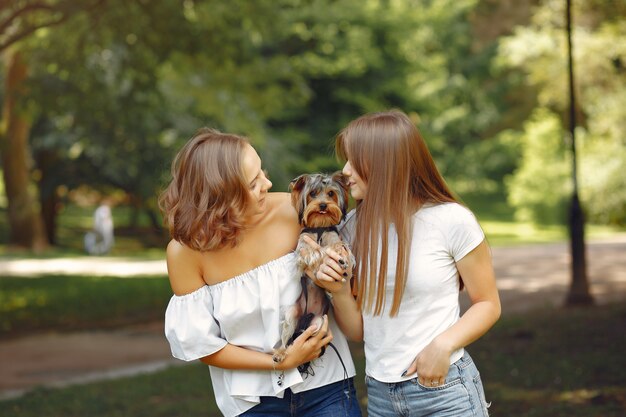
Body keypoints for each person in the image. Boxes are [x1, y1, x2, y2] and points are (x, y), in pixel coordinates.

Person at [158, 128, 361, 417]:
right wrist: (281, 361)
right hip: (253, 404)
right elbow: (202, 345)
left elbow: (346, 283)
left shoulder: (295, 213)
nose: (267, 183)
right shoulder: (184, 253)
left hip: (327, 390)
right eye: (253, 183)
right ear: (220, 197)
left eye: (262, 172)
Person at [311, 110, 501, 417]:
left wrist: (443, 345)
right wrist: (340, 291)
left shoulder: (451, 220)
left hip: (444, 390)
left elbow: (488, 304)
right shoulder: (351, 228)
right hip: (381, 397)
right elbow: (361, 331)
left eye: (354, 160)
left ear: (385, 163)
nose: (344, 171)